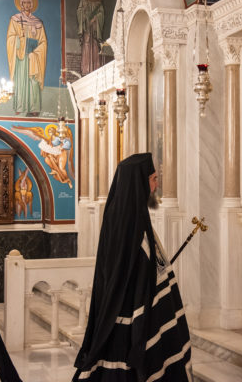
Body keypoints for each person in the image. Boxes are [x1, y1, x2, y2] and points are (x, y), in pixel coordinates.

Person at [73, 153, 192, 381]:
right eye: (153, 179)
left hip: (140, 304)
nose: (156, 185)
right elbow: (128, 268)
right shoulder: (125, 219)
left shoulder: (133, 213)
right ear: (139, 181)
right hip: (129, 308)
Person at [7, 0, 47, 117]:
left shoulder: (38, 22)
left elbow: (43, 42)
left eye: (29, 2)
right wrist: (21, 41)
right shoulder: (15, 19)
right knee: (21, 82)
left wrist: (35, 53)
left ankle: (34, 108)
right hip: (21, 57)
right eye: (24, 3)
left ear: (32, 5)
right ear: (21, 4)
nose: (27, 5)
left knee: (33, 81)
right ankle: (20, 106)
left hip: (33, 57)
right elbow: (10, 38)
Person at [77, 0, 104, 76]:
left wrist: (96, 18)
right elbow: (79, 11)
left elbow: (101, 13)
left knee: (95, 45)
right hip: (87, 27)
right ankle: (86, 68)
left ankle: (95, 68)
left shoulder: (98, 1)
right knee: (87, 45)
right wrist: (84, 17)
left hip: (95, 28)